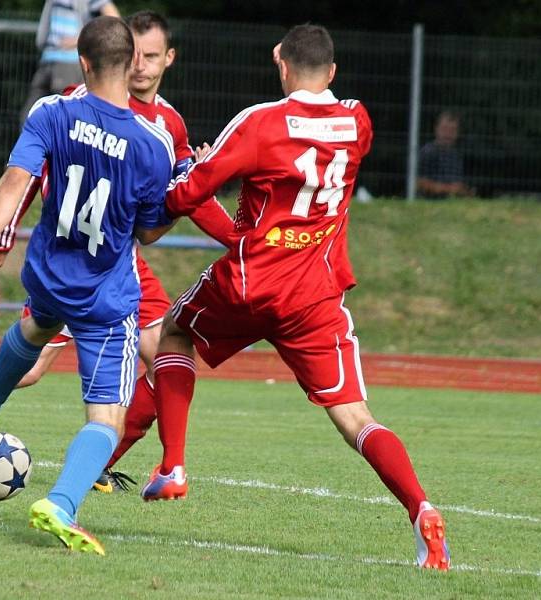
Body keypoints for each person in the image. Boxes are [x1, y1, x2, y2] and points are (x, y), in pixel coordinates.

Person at [0, 12, 234, 490]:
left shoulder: (169, 126)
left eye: (150, 56)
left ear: (167, 59)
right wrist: (1, 237)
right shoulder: (75, 105)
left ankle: (142, 465)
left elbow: (189, 194)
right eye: (134, 56)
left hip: (119, 265)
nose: (140, 66)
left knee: (165, 346)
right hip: (77, 257)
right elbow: (30, 175)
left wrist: (239, 239)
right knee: (35, 365)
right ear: (117, 62)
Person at [139, 24, 451, 571]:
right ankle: (421, 506)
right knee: (355, 416)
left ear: (280, 62)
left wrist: (187, 172)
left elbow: (191, 191)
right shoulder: (358, 120)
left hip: (251, 280)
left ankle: (174, 465)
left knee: (175, 331)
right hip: (315, 293)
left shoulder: (261, 121)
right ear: (332, 71)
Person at [0, 15, 176, 555]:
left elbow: (15, 180)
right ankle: (61, 503)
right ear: (132, 65)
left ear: (82, 63)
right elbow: (148, 228)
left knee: (36, 324)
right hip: (104, 295)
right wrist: (180, 202)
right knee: (106, 418)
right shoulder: (153, 144)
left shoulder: (52, 110)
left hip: (48, 273)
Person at [21, 0, 120, 122]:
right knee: (30, 116)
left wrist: (81, 38)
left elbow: (114, 21)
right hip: (47, 58)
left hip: (69, 62)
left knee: (66, 118)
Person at [417, 110, 475, 199]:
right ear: (436, 129)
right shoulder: (427, 152)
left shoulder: (456, 154)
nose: (448, 134)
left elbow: (457, 184)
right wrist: (449, 189)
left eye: (453, 130)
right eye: (444, 129)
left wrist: (465, 191)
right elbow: (418, 182)